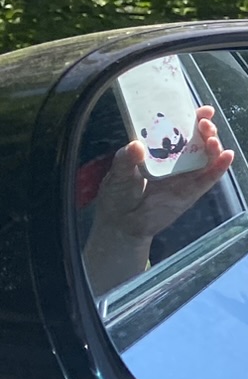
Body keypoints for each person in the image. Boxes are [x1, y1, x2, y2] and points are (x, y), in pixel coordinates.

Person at [79, 106, 236, 298]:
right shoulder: (92, 177)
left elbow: (93, 301)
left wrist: (126, 232)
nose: (170, 144)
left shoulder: (90, 178)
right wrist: (121, 229)